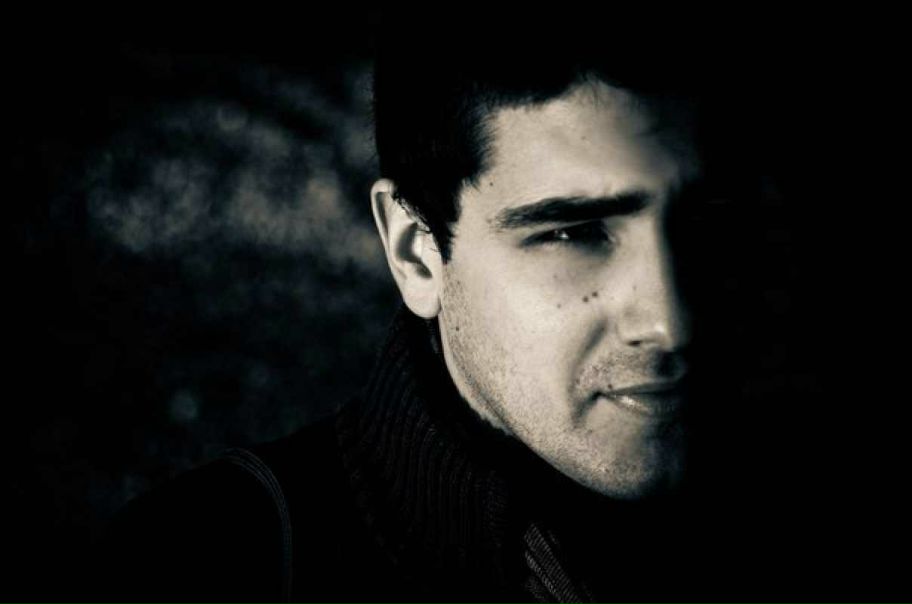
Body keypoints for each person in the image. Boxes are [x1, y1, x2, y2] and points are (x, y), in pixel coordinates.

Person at [96, 16, 746, 601]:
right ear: (415, 253)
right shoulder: (198, 568)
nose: (670, 322)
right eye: (573, 233)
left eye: (711, 222)